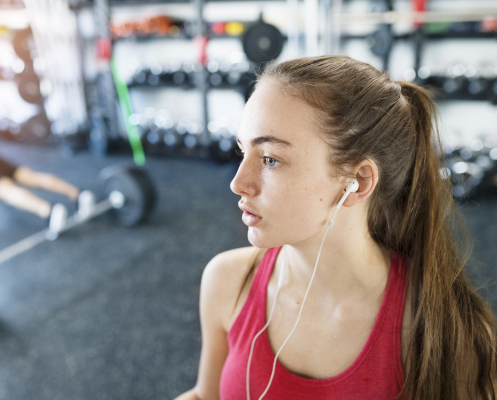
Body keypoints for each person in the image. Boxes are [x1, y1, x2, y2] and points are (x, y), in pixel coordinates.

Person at [174, 55, 497, 400]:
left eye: (270, 159)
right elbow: (204, 396)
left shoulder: (448, 334)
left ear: (358, 181)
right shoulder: (227, 281)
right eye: (242, 151)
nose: (238, 184)